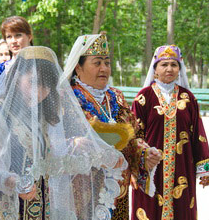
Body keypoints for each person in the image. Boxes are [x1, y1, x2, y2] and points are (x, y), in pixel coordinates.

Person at [0, 46, 127, 220]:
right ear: (17, 77)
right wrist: (14, 182)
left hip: (42, 210)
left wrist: (99, 158)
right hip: (10, 210)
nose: (40, 91)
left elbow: (52, 162)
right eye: (33, 82)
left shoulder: (40, 117)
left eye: (47, 86)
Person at [62, 34, 161, 220]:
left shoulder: (116, 97)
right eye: (97, 62)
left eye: (107, 63)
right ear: (78, 67)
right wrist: (75, 144)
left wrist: (144, 154)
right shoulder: (67, 98)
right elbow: (54, 140)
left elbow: (134, 137)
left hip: (117, 192)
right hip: (81, 190)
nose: (104, 68)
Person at [130, 45, 209, 220]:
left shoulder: (188, 98)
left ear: (180, 70)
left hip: (182, 167)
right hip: (151, 168)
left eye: (174, 65)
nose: (169, 69)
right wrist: (140, 159)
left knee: (182, 210)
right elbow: (134, 135)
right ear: (155, 70)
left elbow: (198, 134)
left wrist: (205, 169)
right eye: (164, 64)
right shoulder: (143, 98)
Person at [0, 16, 33, 90]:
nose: (13, 41)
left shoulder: (42, 65)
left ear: (29, 37)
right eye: (9, 37)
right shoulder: (0, 69)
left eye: (18, 35)